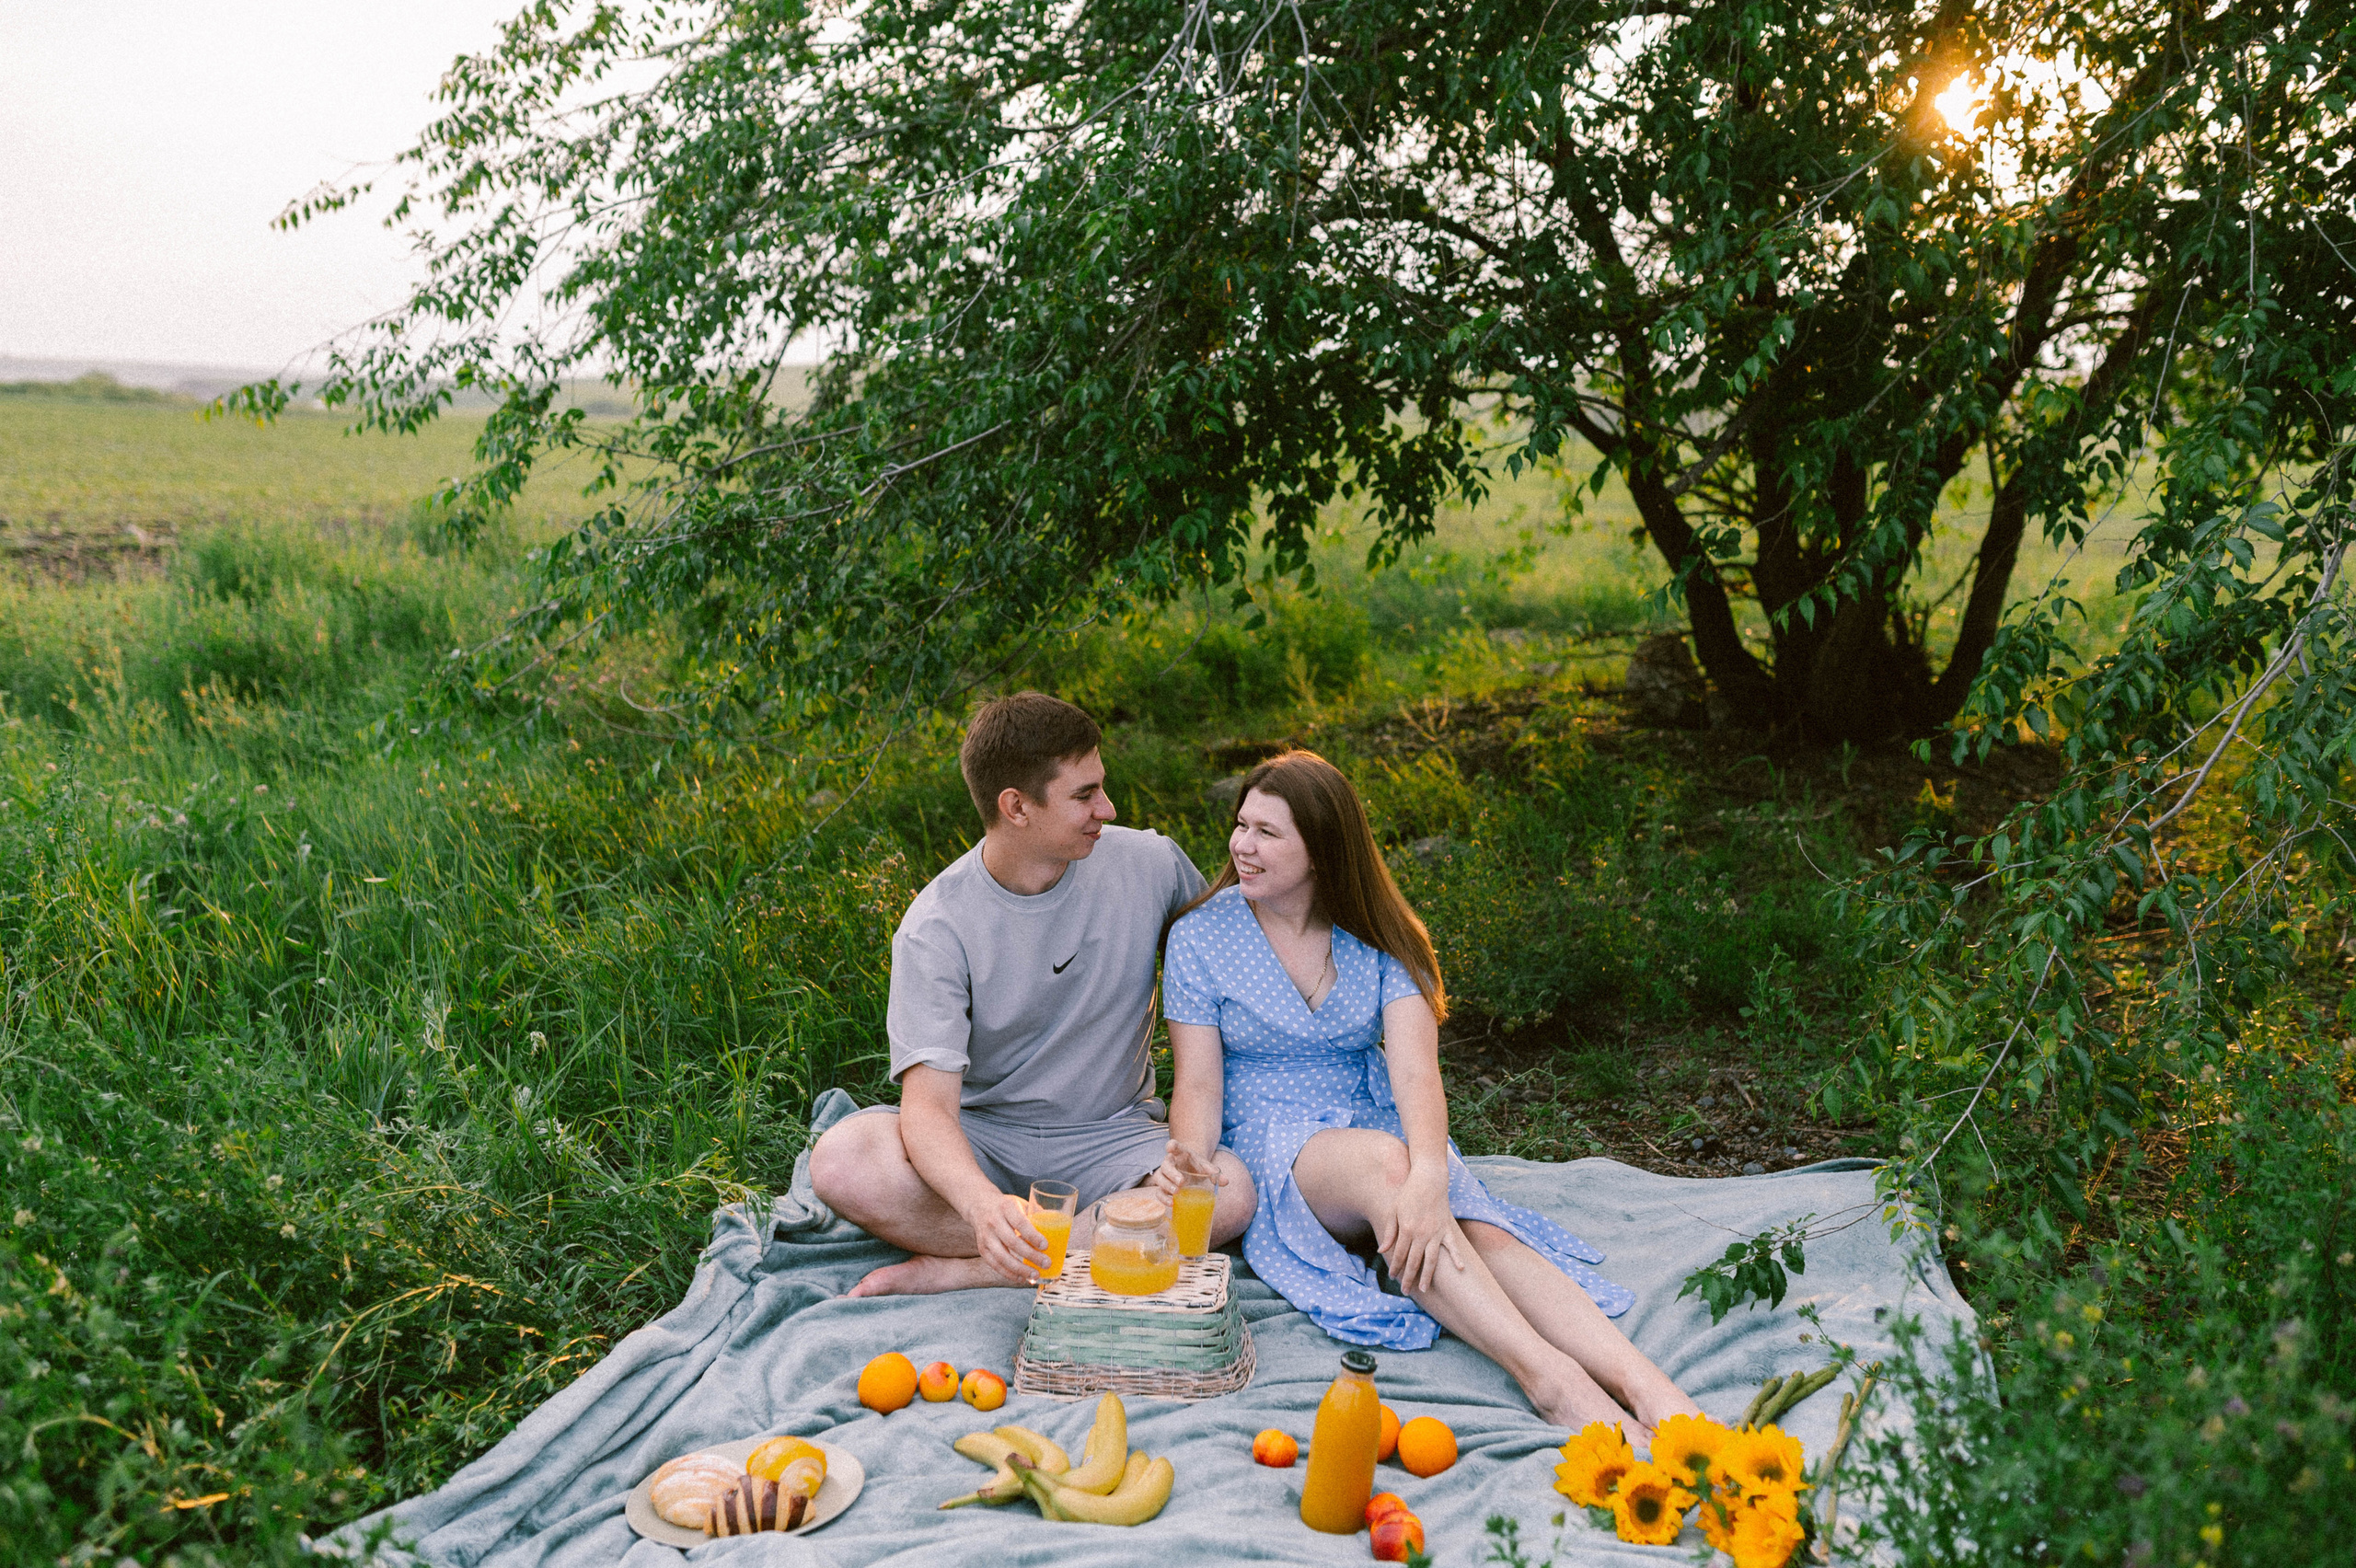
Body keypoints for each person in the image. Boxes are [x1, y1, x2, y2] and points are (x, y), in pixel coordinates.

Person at [1156, 749, 1701, 1438]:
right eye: (1242, 825)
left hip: (1374, 1115)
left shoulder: (1383, 936)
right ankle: (1549, 1379)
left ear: (1323, 850)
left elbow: (1416, 1075)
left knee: (1468, 1220)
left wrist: (1432, 1175)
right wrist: (1194, 1160)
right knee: (1390, 1167)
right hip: (1271, 1135)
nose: (1242, 845)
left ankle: (1646, 1385)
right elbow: (1199, 1081)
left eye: (1267, 832)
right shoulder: (1202, 934)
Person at [808, 692, 1255, 1296]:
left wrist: (1185, 1150)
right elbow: (929, 1110)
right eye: (1084, 795)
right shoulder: (936, 925)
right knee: (841, 1160)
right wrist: (981, 1207)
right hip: (987, 1137)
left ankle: (978, 1269)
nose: (1108, 807)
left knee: (1228, 1192)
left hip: (1115, 1136)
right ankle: (1078, 1240)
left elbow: (1232, 978)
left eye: (1101, 786)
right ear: (1016, 806)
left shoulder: (1152, 865)